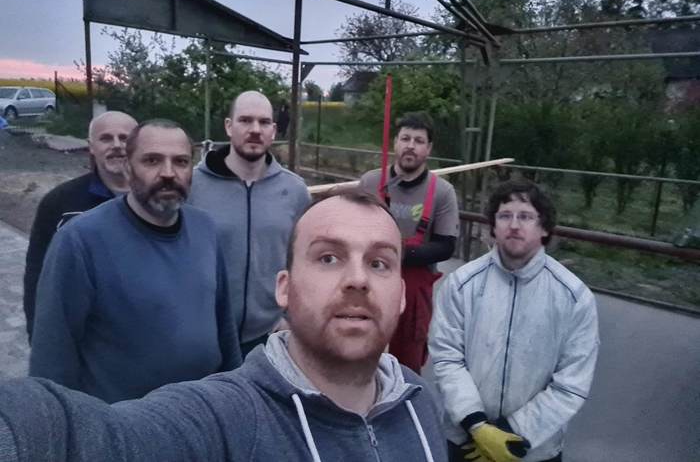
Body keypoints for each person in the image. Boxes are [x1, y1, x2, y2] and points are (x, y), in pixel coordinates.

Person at [0, 191, 448, 462]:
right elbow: (91, 438)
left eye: (379, 263)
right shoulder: (225, 420)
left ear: (401, 295)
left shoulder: (419, 401)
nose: (357, 279)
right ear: (285, 288)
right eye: (328, 257)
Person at [29, 119, 241, 403]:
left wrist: (236, 395)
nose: (168, 173)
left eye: (180, 161)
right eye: (152, 160)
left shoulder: (206, 229)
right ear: (128, 168)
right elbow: (52, 354)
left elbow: (224, 323)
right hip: (123, 422)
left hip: (205, 410)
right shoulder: (80, 241)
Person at [429, 179, 599, 462]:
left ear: (544, 228)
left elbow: (571, 383)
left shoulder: (574, 297)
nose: (514, 225)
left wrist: (512, 434)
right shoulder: (461, 284)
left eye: (526, 217)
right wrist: (477, 426)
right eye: (505, 216)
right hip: (466, 443)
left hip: (533, 450)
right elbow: (447, 357)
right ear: (493, 226)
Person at [189, 90, 310, 357]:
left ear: (273, 130)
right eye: (245, 120)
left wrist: (290, 316)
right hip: (205, 336)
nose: (255, 129)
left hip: (269, 338)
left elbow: (304, 259)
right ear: (228, 126)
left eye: (264, 122)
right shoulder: (193, 186)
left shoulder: (295, 191)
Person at [23, 110, 137, 340]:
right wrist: (38, 332)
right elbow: (38, 272)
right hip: (82, 334)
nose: (116, 145)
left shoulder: (159, 200)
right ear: (91, 147)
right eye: (106, 138)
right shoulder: (60, 203)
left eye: (124, 138)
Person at [359, 113, 459, 372]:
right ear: (395, 142)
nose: (410, 146)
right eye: (405, 138)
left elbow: (446, 246)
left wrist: (397, 253)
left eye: (418, 141)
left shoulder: (442, 192)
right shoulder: (371, 182)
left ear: (429, 148)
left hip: (414, 293)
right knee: (361, 356)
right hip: (369, 285)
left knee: (407, 367)